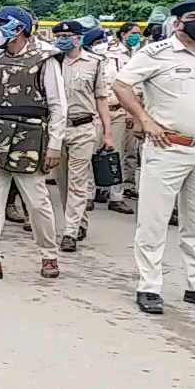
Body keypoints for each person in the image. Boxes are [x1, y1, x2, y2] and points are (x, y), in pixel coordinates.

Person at [114, 0, 195, 314]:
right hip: (168, 148)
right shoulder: (156, 53)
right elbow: (121, 85)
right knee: (154, 220)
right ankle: (149, 286)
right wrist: (144, 120)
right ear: (177, 23)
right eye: (194, 17)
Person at [0, 6, 64, 280]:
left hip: (28, 136)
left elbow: (57, 105)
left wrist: (54, 145)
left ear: (18, 29)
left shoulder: (45, 59)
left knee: (37, 202)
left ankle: (48, 254)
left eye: (0, 25)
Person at [49, 20, 111, 252]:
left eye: (70, 36)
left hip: (83, 127)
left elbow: (101, 98)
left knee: (78, 180)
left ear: (79, 38)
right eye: (60, 36)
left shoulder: (94, 63)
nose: (64, 40)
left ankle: (70, 231)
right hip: (56, 127)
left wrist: (107, 132)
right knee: (62, 181)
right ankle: (79, 220)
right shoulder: (52, 62)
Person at [103, 22, 142, 211]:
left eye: (139, 34)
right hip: (107, 107)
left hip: (124, 110)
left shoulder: (138, 55)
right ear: (123, 34)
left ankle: (116, 196)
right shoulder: (109, 53)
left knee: (120, 153)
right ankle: (94, 190)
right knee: (99, 151)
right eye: (133, 33)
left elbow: (137, 87)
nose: (137, 37)